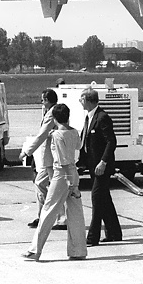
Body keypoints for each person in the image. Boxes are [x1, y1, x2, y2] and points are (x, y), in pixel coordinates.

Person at [22, 104, 87, 261]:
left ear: (55, 118)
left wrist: (69, 183)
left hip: (62, 175)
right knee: (76, 214)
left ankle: (35, 250)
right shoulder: (73, 132)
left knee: (48, 211)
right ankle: (78, 250)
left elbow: (63, 161)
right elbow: (78, 146)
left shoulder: (57, 135)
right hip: (73, 173)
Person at [79, 86, 121, 245]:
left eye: (81, 99)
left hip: (102, 167)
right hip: (92, 165)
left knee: (97, 198)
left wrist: (103, 161)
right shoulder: (89, 117)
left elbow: (111, 141)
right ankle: (114, 232)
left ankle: (92, 237)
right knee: (104, 199)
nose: (80, 102)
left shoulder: (102, 117)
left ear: (88, 100)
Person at [20, 88, 66, 230]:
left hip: (53, 158)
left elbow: (42, 135)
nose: (41, 102)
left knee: (51, 187)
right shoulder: (52, 111)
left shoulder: (52, 113)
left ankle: (58, 218)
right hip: (50, 158)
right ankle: (45, 217)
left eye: (42, 100)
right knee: (42, 184)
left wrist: (27, 151)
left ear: (47, 100)